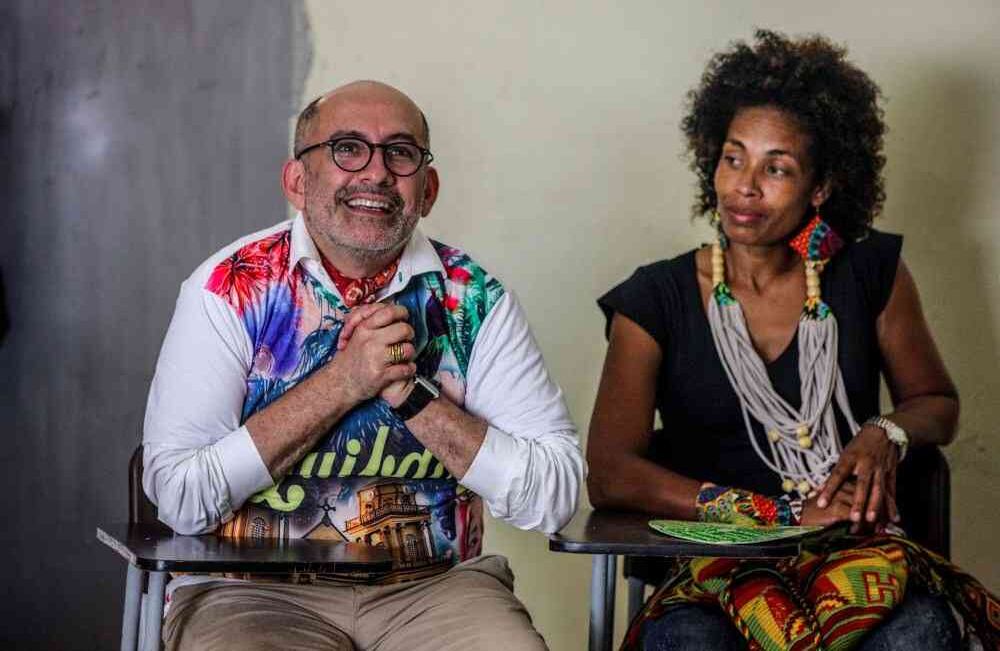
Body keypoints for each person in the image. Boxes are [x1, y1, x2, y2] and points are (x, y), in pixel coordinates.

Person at [587, 31, 999, 651]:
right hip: (711, 568)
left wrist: (884, 431)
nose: (745, 186)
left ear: (821, 187)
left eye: (776, 167)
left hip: (850, 554)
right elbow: (610, 473)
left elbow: (936, 402)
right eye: (733, 158)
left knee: (920, 634)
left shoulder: (867, 272)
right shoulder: (655, 299)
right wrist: (776, 515)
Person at [142, 80, 583, 651]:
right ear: (298, 181)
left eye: (400, 152)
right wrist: (344, 381)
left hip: (435, 589)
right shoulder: (230, 289)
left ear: (428, 189)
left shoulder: (474, 299)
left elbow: (554, 497)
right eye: (348, 148)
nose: (376, 173)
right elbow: (180, 496)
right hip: (250, 588)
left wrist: (412, 394)